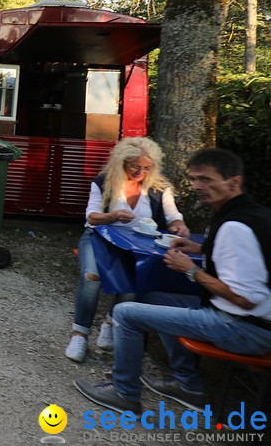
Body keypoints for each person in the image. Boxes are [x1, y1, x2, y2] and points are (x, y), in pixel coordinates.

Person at [74, 148, 271, 413]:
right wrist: (197, 248)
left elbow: (245, 300)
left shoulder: (235, 226)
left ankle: (125, 392)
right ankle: (187, 384)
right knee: (154, 296)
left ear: (234, 182)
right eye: (195, 179)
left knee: (125, 313)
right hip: (250, 322)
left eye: (207, 180)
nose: (198, 187)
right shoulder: (250, 213)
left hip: (244, 329)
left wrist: (191, 271)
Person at [65, 137, 189, 362]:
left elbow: (173, 216)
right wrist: (113, 216)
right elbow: (91, 217)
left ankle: (110, 322)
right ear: (122, 162)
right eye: (135, 166)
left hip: (138, 245)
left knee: (134, 283)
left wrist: (178, 224)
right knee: (92, 276)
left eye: (146, 168)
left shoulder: (159, 188)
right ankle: (80, 334)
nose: (140, 171)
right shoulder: (104, 182)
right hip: (100, 236)